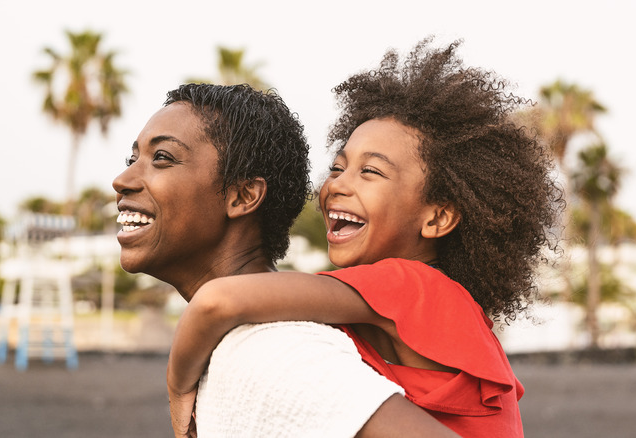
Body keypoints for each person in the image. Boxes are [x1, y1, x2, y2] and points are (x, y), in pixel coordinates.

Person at [168, 38, 562, 437]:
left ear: (438, 216)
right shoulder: (427, 301)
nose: (337, 185)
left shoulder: (409, 285)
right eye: (338, 168)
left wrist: (179, 387)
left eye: (370, 172)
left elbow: (217, 302)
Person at [112, 83, 459, 438]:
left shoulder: (281, 356)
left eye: (162, 158)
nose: (121, 180)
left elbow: (215, 303)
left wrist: (177, 384)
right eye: (132, 159)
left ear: (244, 195)